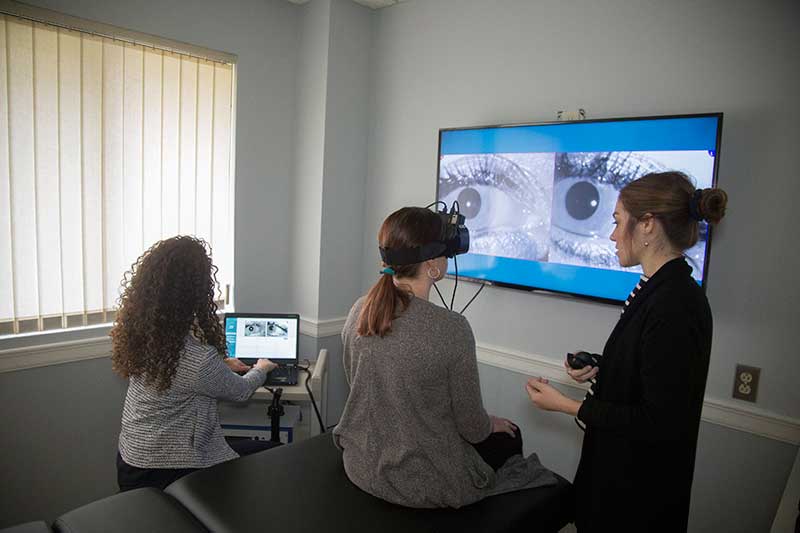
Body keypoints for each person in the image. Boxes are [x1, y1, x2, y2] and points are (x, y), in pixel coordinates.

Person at [525, 172, 728, 531]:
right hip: (620, 486)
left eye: (618, 222)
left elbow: (658, 420)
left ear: (647, 224)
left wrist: (567, 405)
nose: (613, 235)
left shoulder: (675, 304)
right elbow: (653, 372)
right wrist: (602, 367)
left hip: (637, 500)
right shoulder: (659, 289)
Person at [333, 206, 555, 509]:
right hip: (418, 482)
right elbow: (472, 428)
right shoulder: (452, 328)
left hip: (361, 463)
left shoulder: (360, 309)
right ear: (433, 265)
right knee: (510, 438)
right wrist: (491, 424)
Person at [112, 236, 278, 491]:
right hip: (167, 470)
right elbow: (241, 391)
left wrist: (221, 365)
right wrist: (261, 368)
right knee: (274, 450)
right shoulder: (198, 359)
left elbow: (177, 372)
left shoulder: (145, 334)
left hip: (132, 460)